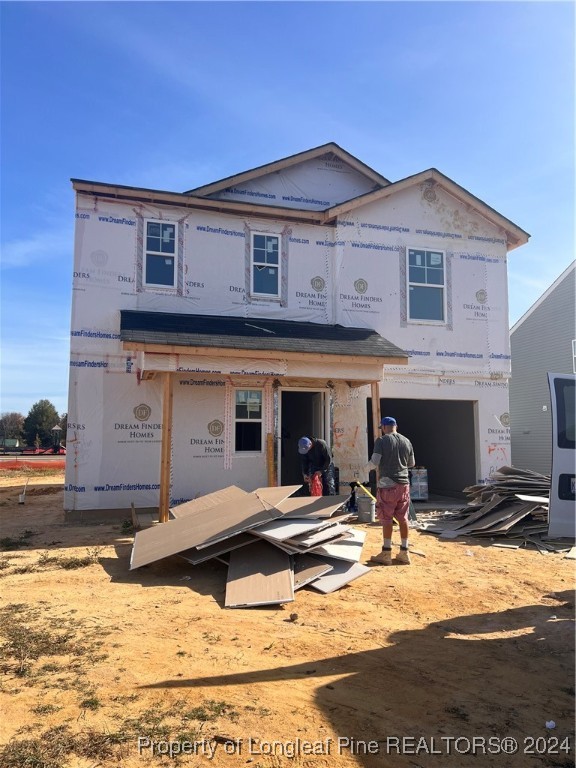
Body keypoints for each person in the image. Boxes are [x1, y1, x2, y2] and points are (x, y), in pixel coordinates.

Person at [366, 416, 415, 565]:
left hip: (388, 485)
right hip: (404, 485)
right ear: (396, 426)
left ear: (384, 427)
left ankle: (386, 553)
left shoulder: (381, 441)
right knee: (403, 518)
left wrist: (363, 470)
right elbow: (411, 463)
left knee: (386, 519)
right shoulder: (407, 441)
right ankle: (404, 552)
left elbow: (374, 462)